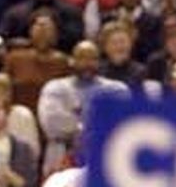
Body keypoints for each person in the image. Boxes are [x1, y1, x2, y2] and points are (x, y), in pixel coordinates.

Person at [37, 41, 126, 174]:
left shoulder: (116, 90)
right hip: (61, 164)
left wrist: (77, 124)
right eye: (82, 57)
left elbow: (121, 126)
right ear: (71, 60)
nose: (87, 63)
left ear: (99, 62)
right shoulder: (55, 88)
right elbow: (52, 125)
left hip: (105, 164)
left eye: (93, 58)